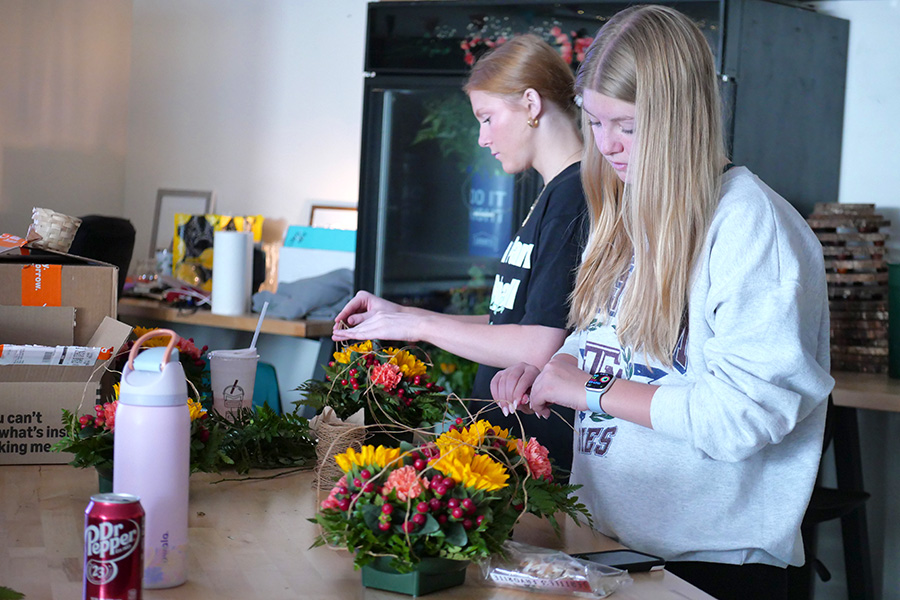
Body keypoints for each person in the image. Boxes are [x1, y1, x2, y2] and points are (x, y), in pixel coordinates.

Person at [489, 6, 834, 600]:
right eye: (595, 122)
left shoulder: (754, 229)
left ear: (681, 118)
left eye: (626, 124)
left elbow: (743, 417)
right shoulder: (628, 209)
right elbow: (604, 336)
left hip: (714, 565)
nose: (607, 146)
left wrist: (588, 392)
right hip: (607, 543)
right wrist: (558, 368)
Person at [332, 34, 588, 472]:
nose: (482, 137)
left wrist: (418, 324)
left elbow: (540, 343)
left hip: (542, 455)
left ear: (531, 103)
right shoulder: (554, 193)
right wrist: (400, 314)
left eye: (487, 118)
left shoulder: (574, 194)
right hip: (514, 447)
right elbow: (511, 324)